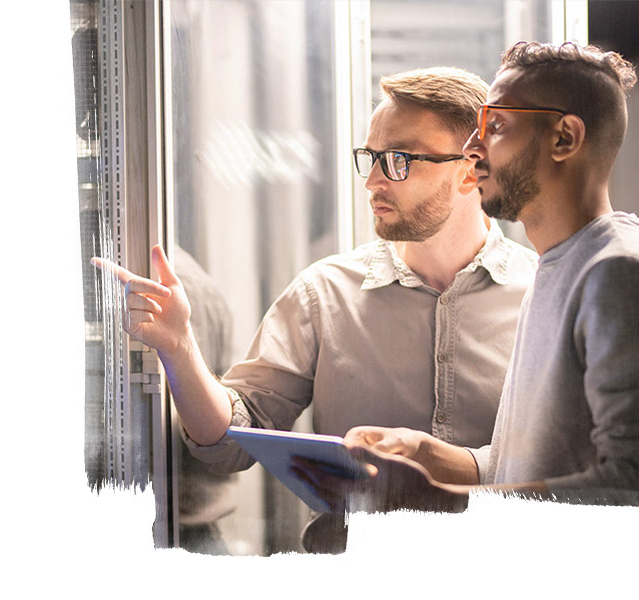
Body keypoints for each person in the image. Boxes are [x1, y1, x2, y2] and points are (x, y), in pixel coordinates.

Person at [92, 67, 539, 552]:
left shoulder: (545, 296)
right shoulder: (323, 293)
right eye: (369, 158)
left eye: (398, 160)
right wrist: (179, 350)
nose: (372, 182)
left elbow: (584, 461)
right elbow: (227, 442)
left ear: (471, 167)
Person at [293, 41, 639, 514]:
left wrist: (440, 500)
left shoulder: (616, 274)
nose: (472, 150)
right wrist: (428, 455)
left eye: (493, 127)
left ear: (565, 138)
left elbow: (629, 486)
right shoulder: (558, 267)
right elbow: (534, 463)